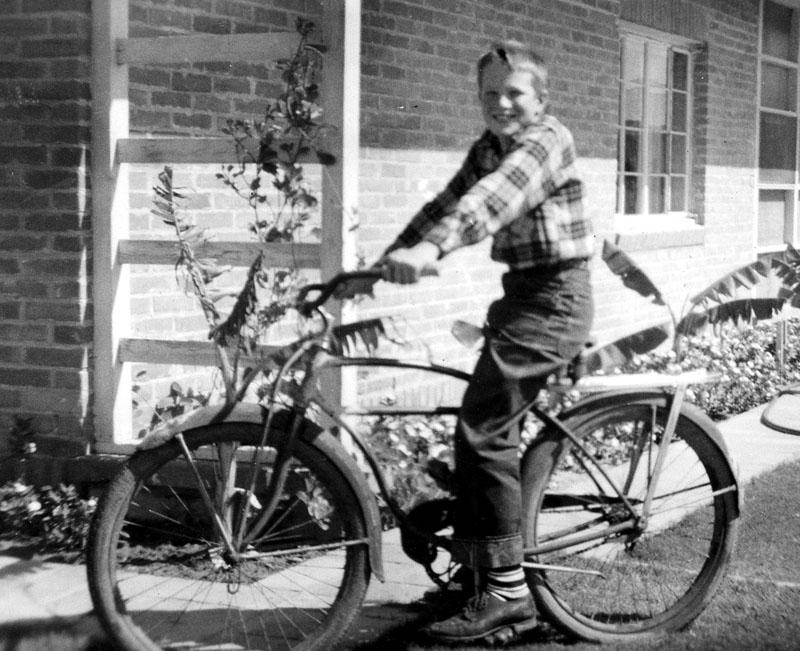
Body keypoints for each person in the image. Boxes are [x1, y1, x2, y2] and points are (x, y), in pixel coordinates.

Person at [345, 41, 594, 643]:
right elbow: (448, 203)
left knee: (484, 432)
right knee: (477, 428)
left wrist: (431, 250)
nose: (502, 103)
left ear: (542, 99)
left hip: (556, 300)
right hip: (522, 299)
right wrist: (381, 265)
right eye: (490, 94)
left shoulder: (546, 141)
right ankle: (481, 571)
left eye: (515, 93)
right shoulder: (487, 148)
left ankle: (508, 593)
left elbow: (493, 200)